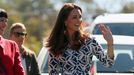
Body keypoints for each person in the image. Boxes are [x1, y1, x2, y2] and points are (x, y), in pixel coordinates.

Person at [46, 3, 114, 75]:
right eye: (74, 17)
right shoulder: (56, 44)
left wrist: (110, 42)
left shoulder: (89, 41)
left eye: (80, 17)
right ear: (65, 21)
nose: (79, 20)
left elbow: (108, 63)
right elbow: (53, 72)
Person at [0, 8, 25, 75]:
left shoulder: (12, 46)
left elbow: (19, 72)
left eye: (6, 21)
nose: (4, 24)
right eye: (1, 20)